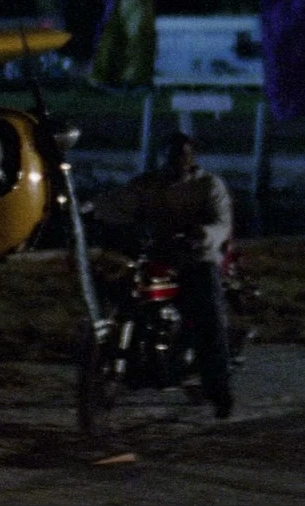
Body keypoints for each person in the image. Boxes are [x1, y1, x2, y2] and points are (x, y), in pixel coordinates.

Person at [88, 131, 236, 418]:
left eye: (181, 155)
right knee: (117, 290)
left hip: (195, 258)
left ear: (192, 158)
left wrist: (202, 234)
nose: (175, 161)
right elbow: (120, 202)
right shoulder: (147, 184)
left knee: (207, 315)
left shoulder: (209, 185)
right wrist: (90, 208)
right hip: (155, 256)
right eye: (170, 156)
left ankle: (219, 390)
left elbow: (221, 223)